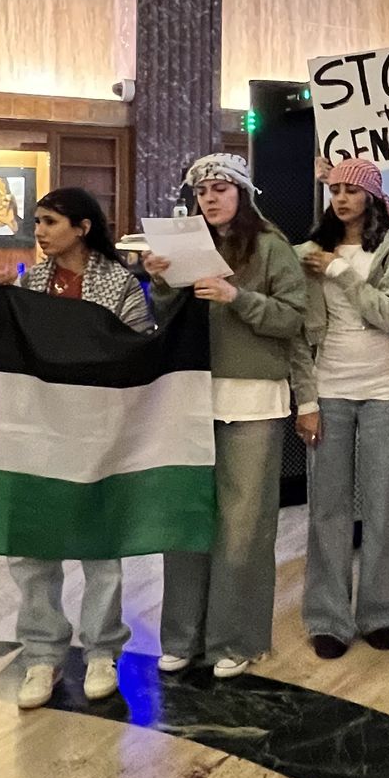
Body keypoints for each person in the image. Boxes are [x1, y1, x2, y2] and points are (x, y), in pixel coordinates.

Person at [149, 153, 311, 680]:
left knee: (243, 525)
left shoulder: (270, 246)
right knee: (189, 517)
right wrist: (163, 282)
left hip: (252, 399)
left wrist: (237, 297)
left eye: (221, 188)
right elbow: (167, 317)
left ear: (242, 193)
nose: (210, 198)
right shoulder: (193, 249)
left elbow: (293, 318)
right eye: (202, 192)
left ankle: (234, 639)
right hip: (193, 395)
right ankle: (181, 635)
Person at [0, 188, 151, 708]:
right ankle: (41, 653)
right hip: (38, 429)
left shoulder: (119, 282)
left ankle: (102, 648)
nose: (39, 231)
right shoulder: (30, 283)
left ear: (82, 227)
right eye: (37, 222)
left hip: (97, 429)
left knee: (99, 545)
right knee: (33, 546)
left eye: (50, 221)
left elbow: (140, 345)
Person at [297, 157, 389, 658]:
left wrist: (343, 271)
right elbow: (300, 327)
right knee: (327, 505)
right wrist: (304, 398)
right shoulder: (308, 251)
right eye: (336, 190)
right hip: (328, 384)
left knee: (387, 503)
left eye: (351, 190)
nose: (341, 198)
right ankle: (327, 616)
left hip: (384, 385)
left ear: (370, 195)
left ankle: (385, 610)